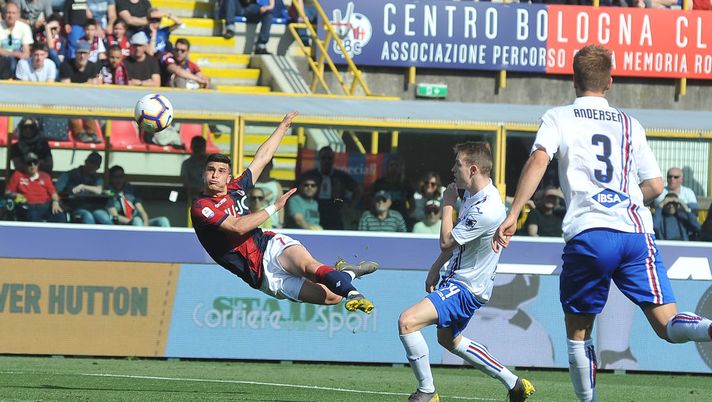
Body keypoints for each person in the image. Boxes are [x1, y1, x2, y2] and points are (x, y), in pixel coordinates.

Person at [493, 45, 712, 402]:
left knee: (578, 334)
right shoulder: (630, 123)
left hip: (590, 233)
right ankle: (707, 328)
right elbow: (656, 186)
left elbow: (538, 160)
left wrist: (514, 211)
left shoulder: (559, 117)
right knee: (667, 324)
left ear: (573, 79)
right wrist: (622, 197)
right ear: (609, 82)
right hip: (635, 233)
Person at [191, 111, 377, 314]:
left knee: (309, 267)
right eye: (210, 170)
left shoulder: (237, 187)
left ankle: (354, 294)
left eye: (221, 171)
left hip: (269, 246)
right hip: (261, 276)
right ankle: (348, 272)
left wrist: (284, 126)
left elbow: (262, 158)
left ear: (228, 177)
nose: (215, 175)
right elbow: (238, 227)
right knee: (331, 297)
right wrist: (274, 207)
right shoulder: (202, 206)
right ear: (203, 174)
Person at [398, 142, 535, 402]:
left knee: (407, 322)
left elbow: (447, 241)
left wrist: (446, 204)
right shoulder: (474, 195)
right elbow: (459, 243)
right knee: (449, 341)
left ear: (472, 169)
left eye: (457, 164)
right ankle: (515, 383)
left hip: (466, 287)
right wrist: (436, 268)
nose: (452, 169)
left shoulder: (487, 208)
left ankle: (427, 391)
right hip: (462, 281)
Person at [303, 146, 361, 230]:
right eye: (324, 158)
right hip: (314, 212)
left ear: (333, 160)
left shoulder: (340, 176)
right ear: (319, 159)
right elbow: (297, 189)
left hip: (335, 213)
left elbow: (358, 189)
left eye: (330, 158)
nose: (327, 161)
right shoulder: (310, 175)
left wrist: (350, 206)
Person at [59, 40, 101, 143]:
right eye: (80, 53)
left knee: (88, 107)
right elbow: (66, 89)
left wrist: (77, 87)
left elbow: (95, 87)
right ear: (75, 53)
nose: (82, 56)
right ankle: (80, 133)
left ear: (89, 54)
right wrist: (85, 85)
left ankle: (92, 133)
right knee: (72, 108)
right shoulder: (66, 65)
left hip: (86, 100)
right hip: (69, 100)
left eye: (85, 53)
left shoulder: (92, 66)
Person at [5, 151, 66, 223]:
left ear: (38, 164)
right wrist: (15, 195)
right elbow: (7, 192)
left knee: (60, 216)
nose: (32, 165)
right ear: (24, 165)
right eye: (29, 163)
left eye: (35, 163)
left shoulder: (45, 176)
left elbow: (53, 192)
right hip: (28, 206)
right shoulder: (17, 175)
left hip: (45, 205)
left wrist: (55, 202)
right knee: (33, 216)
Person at [55, 151, 112, 224]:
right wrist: (59, 203)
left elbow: (99, 190)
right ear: (85, 161)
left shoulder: (97, 178)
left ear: (98, 167)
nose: (92, 165)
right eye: (91, 162)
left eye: (96, 164)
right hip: (75, 207)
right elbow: (56, 190)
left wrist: (84, 187)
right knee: (88, 216)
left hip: (94, 207)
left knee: (105, 218)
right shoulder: (70, 174)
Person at [104, 165, 170, 227]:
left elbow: (141, 211)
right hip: (124, 225)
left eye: (121, 177)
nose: (119, 180)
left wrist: (145, 223)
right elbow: (114, 215)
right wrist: (134, 221)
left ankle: (169, 239)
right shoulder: (108, 192)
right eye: (116, 177)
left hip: (138, 223)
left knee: (163, 220)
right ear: (111, 178)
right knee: (137, 220)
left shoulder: (130, 190)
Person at [1, 1, 33, 74]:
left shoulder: (25, 27)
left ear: (18, 15)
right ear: (4, 14)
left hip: (18, 59)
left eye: (13, 13)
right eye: (8, 12)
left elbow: (26, 53)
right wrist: (15, 54)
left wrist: (15, 55)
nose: (11, 16)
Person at [181, 135, 207, 201]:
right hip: (192, 198)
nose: (197, 150)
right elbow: (185, 183)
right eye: (196, 147)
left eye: (199, 147)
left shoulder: (211, 163)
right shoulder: (187, 164)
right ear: (191, 147)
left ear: (204, 148)